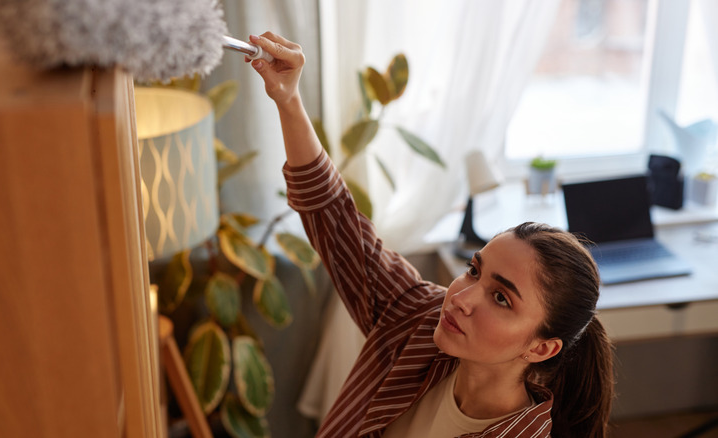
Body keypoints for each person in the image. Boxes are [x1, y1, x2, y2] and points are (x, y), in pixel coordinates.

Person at [247, 32, 615, 438]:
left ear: (541, 348)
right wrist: (288, 98)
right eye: (475, 271)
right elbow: (336, 222)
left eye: (501, 298)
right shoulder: (422, 320)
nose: (459, 298)